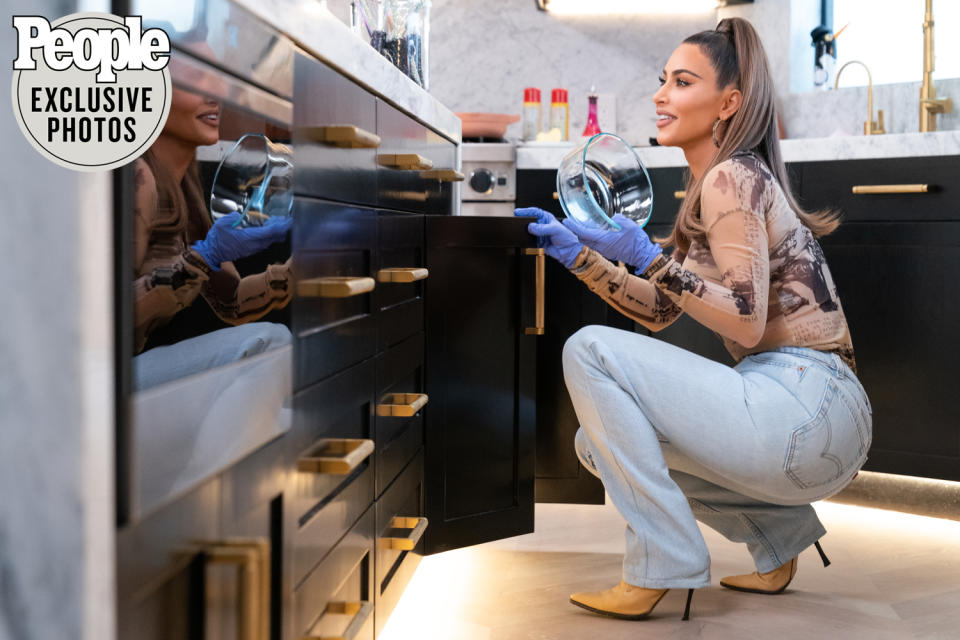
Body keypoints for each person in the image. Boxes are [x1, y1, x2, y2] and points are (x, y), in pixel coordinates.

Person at [515, 17, 871, 621]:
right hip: (814, 424)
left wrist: (647, 254)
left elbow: (744, 324)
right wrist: (582, 258)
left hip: (808, 402)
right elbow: (661, 309)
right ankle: (777, 542)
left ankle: (663, 563)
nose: (660, 95)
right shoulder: (714, 181)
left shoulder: (732, 177)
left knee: (589, 349)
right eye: (663, 80)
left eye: (681, 82)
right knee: (596, 444)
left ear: (728, 102)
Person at [132, 86, 294, 390]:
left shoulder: (185, 187)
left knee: (283, 402)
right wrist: (204, 256)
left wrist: (296, 271)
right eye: (194, 81)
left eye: (214, 82)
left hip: (139, 374)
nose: (214, 95)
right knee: (272, 345)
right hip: (98, 385)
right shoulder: (134, 177)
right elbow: (106, 319)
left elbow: (230, 301)